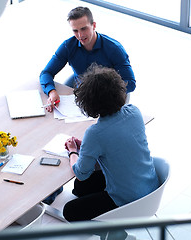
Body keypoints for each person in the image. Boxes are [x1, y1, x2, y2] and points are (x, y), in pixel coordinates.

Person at [61, 64, 159, 223]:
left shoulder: (95, 133)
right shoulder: (134, 112)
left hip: (128, 200)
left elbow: (80, 172)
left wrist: (73, 151)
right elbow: (116, 145)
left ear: (88, 103)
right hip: (150, 188)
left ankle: (113, 230)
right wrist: (86, 147)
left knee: (70, 210)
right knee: (80, 188)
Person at [40, 6, 136, 112]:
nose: (80, 35)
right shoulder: (68, 46)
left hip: (106, 98)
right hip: (80, 98)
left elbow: (130, 82)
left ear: (93, 25)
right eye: (75, 31)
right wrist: (51, 91)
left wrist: (105, 95)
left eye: (84, 29)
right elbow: (46, 73)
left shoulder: (114, 49)